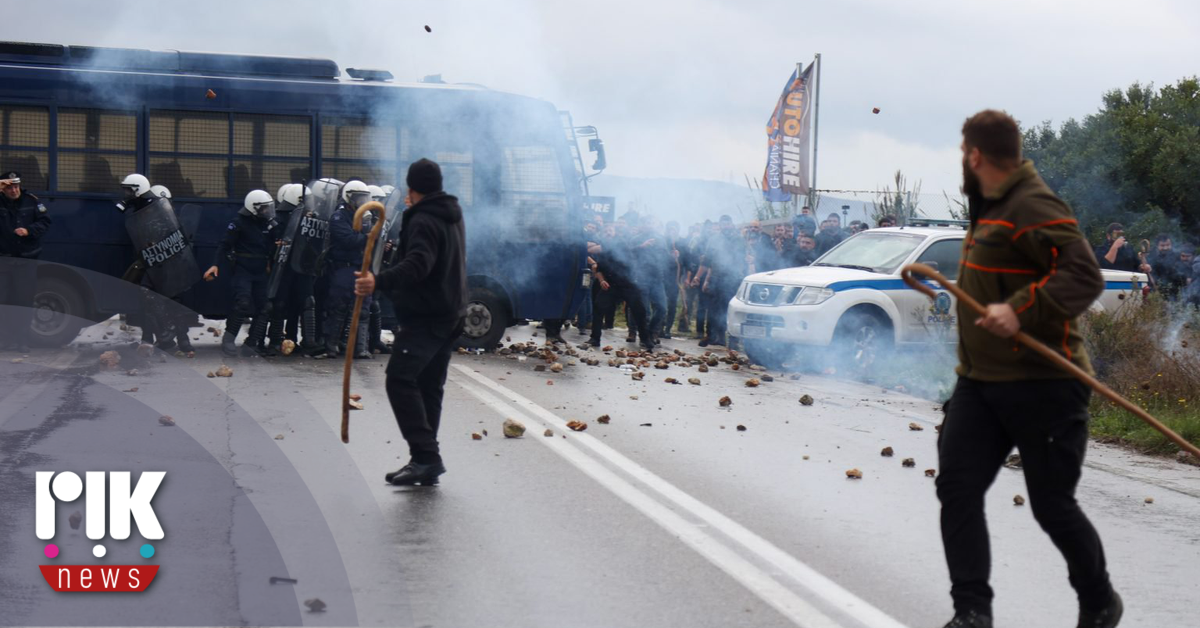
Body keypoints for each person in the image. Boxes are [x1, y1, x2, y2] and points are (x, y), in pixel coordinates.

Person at [937, 109, 1121, 628]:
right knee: (957, 487)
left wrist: (1019, 308)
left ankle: (1099, 599)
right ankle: (972, 612)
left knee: (1051, 505)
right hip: (980, 383)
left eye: (962, 153)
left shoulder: (1034, 204)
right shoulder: (989, 204)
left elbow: (1085, 277)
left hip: (1045, 386)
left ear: (974, 155)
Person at [354, 158, 466, 486]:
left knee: (400, 380)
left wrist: (378, 281)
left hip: (428, 316)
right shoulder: (451, 213)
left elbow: (419, 264)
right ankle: (425, 459)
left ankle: (426, 457)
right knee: (429, 385)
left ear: (413, 189)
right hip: (451, 312)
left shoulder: (424, 219)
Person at [118, 174, 196, 355]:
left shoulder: (165, 213)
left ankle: (182, 341)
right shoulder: (138, 208)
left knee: (175, 303)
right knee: (149, 301)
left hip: (170, 264)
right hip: (152, 263)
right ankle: (159, 338)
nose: (126, 193)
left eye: (129, 190)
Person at [205, 190, 279, 357]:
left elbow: (276, 243)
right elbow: (224, 245)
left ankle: (252, 343)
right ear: (253, 208)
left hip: (261, 270)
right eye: (264, 208)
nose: (267, 212)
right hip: (243, 269)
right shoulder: (239, 223)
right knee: (242, 303)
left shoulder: (269, 225)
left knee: (265, 307)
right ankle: (229, 340)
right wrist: (215, 265)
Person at [313, 180, 374, 359]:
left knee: (363, 308)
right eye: (359, 198)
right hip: (344, 268)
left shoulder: (366, 216)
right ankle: (331, 345)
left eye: (365, 197)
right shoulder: (339, 217)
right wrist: (367, 236)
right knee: (338, 307)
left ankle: (360, 347)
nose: (363, 201)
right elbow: (347, 240)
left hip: (362, 266)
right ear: (349, 197)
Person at [264, 183, 318, 355]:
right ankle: (275, 341)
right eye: (307, 200)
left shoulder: (312, 218)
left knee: (306, 302)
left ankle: (307, 341)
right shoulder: (279, 218)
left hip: (303, 266)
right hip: (284, 267)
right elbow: (271, 243)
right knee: (280, 304)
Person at [0, 172, 51, 353]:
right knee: (3, 301)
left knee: (24, 301)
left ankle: (22, 340)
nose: (14, 190)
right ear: (3, 188)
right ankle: (4, 339)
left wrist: (29, 231)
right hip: (4, 260)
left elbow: (45, 221)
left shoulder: (31, 201)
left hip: (26, 259)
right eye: (9, 187)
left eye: (16, 186)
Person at [693, 215, 745, 347]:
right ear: (720, 225)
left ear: (731, 224)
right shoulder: (714, 240)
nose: (726, 226)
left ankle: (733, 341)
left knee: (730, 310)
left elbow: (744, 261)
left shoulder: (739, 240)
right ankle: (717, 337)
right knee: (714, 309)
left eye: (728, 224)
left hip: (733, 279)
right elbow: (707, 262)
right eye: (723, 224)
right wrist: (700, 278)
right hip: (716, 278)